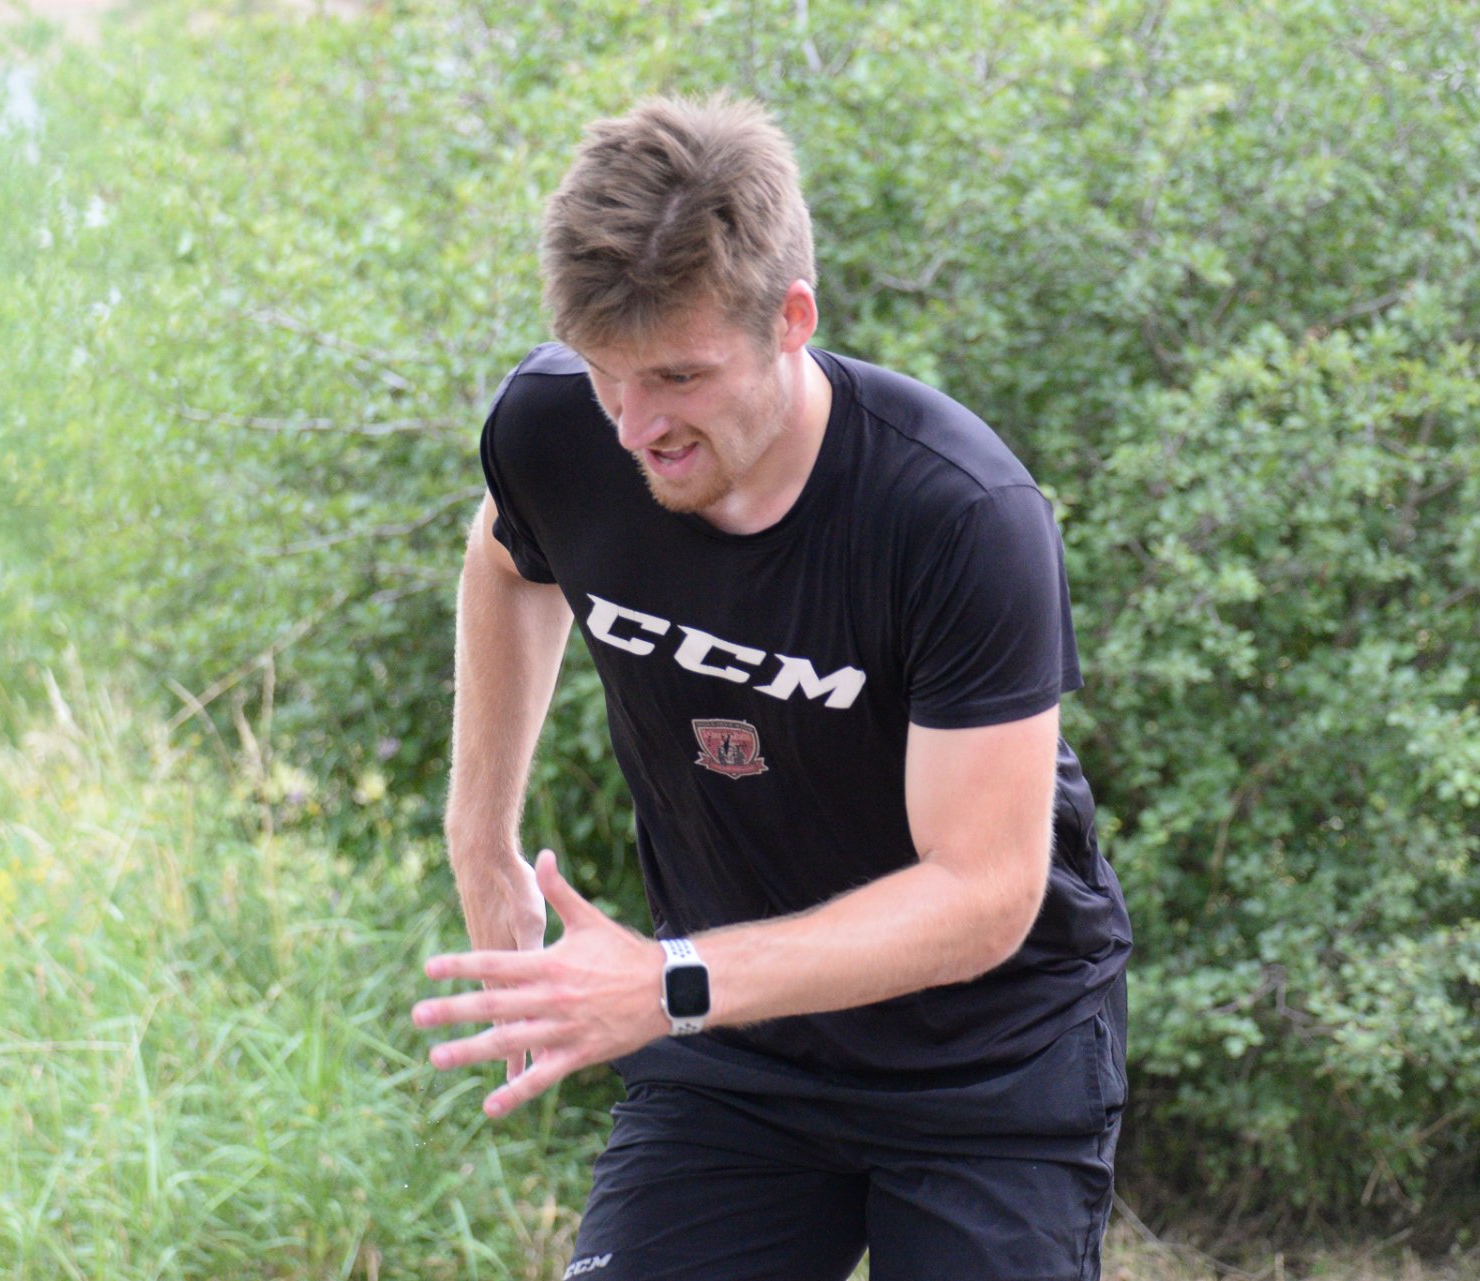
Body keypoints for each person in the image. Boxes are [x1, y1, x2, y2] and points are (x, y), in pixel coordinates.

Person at [413, 93, 1132, 1280]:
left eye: (679, 376)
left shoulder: (959, 516)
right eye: (606, 374)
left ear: (792, 319)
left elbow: (986, 893)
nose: (637, 427)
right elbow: (506, 558)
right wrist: (480, 841)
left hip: (988, 1066)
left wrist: (670, 982)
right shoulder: (558, 431)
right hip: (735, 1054)